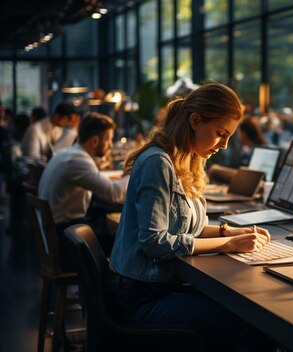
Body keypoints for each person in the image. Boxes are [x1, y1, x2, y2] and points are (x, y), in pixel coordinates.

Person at [107, 83, 274, 351]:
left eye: (229, 136)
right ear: (196, 120)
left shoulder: (187, 160)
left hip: (159, 287)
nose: (225, 144)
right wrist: (227, 245)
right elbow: (156, 241)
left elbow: (188, 227)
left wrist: (229, 232)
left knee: (247, 313)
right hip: (141, 297)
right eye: (221, 133)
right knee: (248, 323)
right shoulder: (158, 162)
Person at [38, 112, 129, 265]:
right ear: (94, 141)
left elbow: (96, 178)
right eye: (108, 140)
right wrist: (136, 171)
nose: (110, 146)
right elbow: (115, 194)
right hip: (65, 243)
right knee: (123, 239)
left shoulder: (68, 154)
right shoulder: (78, 161)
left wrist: (121, 176)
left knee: (112, 231)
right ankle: (112, 287)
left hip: (57, 233)